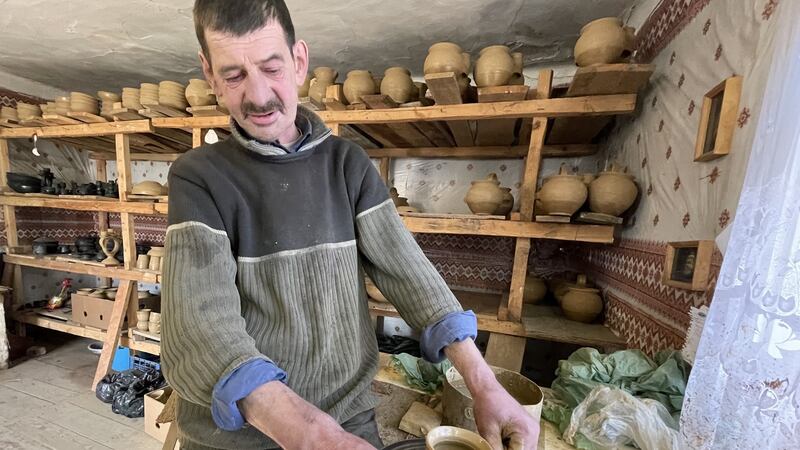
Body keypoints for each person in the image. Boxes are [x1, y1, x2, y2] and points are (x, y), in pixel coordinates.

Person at [161, 1, 540, 449]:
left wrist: (484, 384)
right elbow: (200, 323)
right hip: (238, 435)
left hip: (345, 416)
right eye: (233, 75)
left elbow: (409, 272)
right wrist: (307, 431)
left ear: (299, 60)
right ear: (208, 73)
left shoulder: (347, 165)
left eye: (271, 68)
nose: (259, 96)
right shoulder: (198, 177)